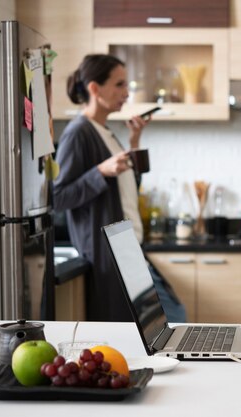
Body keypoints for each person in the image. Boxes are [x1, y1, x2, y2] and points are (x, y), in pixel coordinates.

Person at [53, 54, 186, 323]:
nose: (126, 93)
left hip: (128, 247)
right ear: (94, 88)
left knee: (166, 320)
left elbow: (126, 189)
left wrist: (134, 141)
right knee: (168, 319)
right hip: (108, 253)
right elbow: (58, 197)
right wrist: (101, 171)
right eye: (119, 85)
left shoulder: (105, 132)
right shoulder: (78, 133)